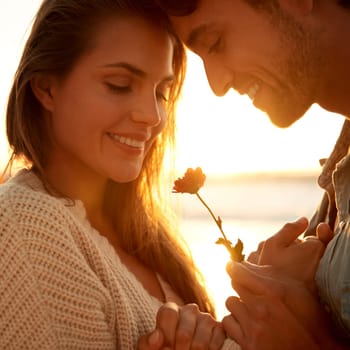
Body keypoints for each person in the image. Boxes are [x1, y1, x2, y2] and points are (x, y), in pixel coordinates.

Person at [0, 0, 234, 348]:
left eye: (161, 93)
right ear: (47, 87)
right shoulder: (25, 225)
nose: (151, 115)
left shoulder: (146, 237)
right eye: (120, 84)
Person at [152, 0, 350, 348]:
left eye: (215, 43)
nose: (217, 84)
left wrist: (303, 340)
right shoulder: (338, 184)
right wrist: (291, 288)